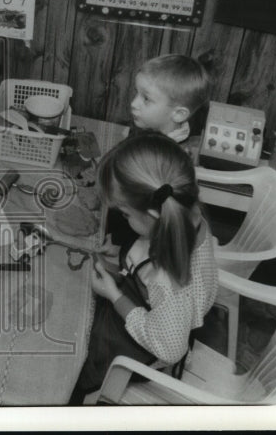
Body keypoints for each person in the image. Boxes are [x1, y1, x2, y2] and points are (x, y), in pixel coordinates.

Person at [71, 132, 218, 403]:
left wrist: (115, 297)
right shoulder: (186, 213)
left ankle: (77, 391)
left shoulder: (168, 280)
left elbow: (171, 348)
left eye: (125, 214)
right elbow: (148, 240)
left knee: (77, 351)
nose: (122, 218)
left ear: (153, 215)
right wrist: (128, 252)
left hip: (151, 341)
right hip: (166, 306)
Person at [128, 54, 211, 145]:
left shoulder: (171, 156)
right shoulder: (145, 127)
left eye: (146, 99)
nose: (133, 104)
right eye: (136, 91)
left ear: (178, 114)